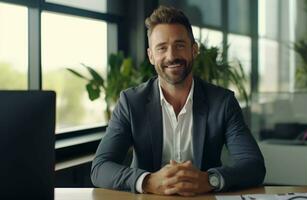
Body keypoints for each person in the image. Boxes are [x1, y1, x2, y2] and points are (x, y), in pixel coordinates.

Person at [91, 5, 265, 196]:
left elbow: (254, 165)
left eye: (179, 45)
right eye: (162, 48)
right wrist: (147, 181)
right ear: (151, 56)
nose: (171, 56)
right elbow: (100, 168)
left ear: (194, 50)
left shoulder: (222, 102)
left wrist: (209, 180)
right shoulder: (131, 102)